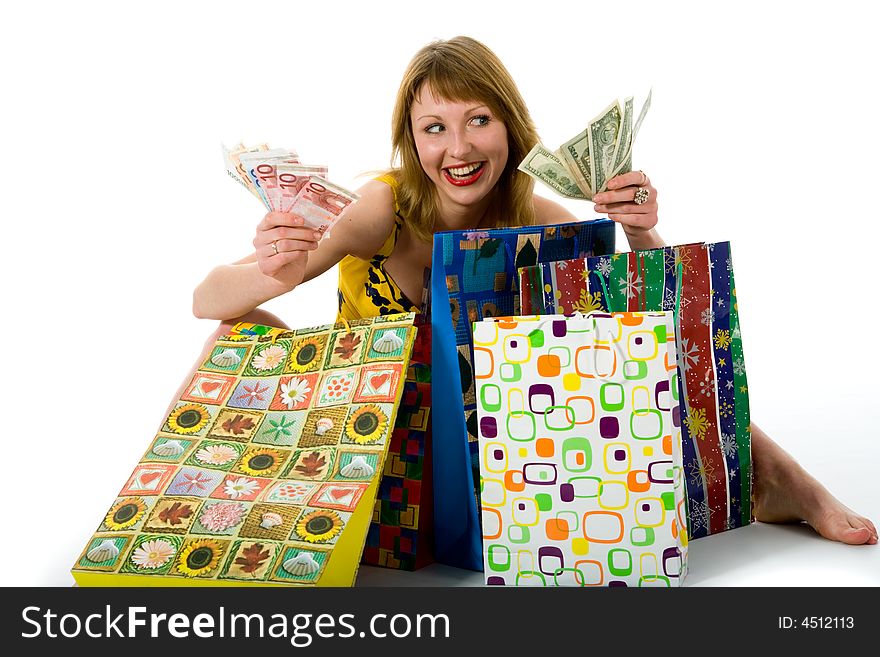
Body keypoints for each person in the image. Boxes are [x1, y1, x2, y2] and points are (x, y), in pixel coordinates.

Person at [192, 36, 877, 547]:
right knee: (237, 328)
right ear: (412, 141)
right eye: (435, 127)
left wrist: (641, 231)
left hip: (483, 449)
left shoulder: (540, 216)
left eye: (477, 120)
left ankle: (781, 478)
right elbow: (208, 298)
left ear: (512, 126)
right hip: (375, 436)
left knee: (646, 354)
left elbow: (654, 325)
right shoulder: (382, 208)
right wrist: (272, 268)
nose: (457, 147)